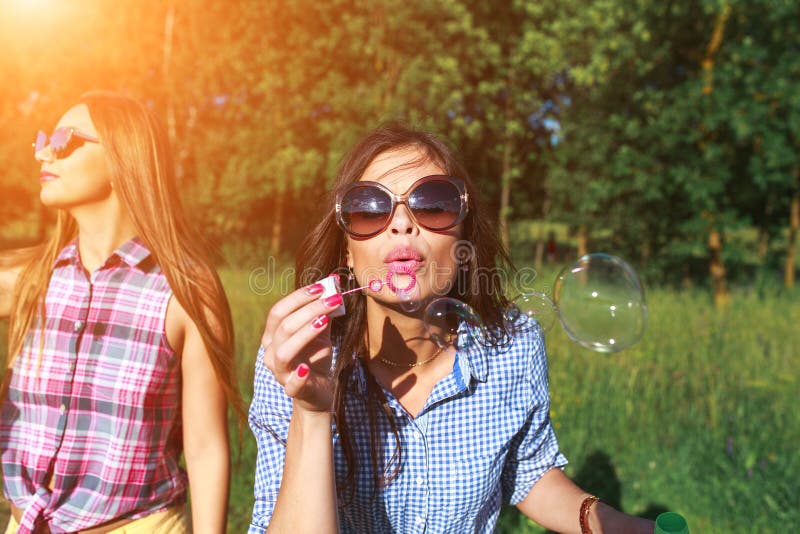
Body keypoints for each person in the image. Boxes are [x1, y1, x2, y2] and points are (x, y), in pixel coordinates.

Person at [248, 124, 655, 533]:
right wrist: (312, 411)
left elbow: (525, 471)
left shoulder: (512, 345)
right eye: (371, 208)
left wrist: (616, 525)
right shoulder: (297, 361)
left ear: (463, 245)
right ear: (347, 252)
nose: (402, 224)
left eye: (432, 204)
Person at [0, 91, 243, 534]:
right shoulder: (29, 279)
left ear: (121, 158)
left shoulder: (187, 291)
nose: (43, 150)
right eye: (42, 137)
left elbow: (206, 447)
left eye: (64, 138)